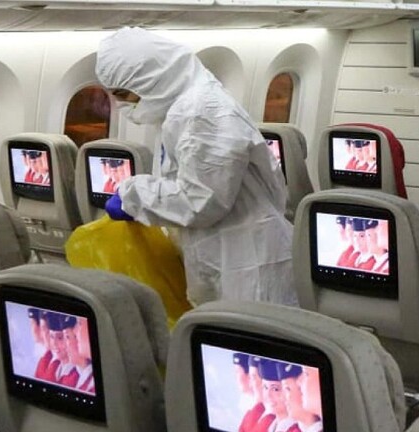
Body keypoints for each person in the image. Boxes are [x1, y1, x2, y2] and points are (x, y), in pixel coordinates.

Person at [96, 27, 296, 306]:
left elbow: (201, 201)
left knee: (249, 330)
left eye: (124, 94)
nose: (122, 105)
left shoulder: (205, 112)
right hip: (225, 253)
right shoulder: (180, 110)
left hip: (250, 261)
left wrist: (135, 195)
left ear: (151, 80)